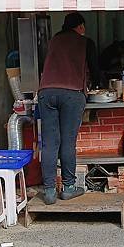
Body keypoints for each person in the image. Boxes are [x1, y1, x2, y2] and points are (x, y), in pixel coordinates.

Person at [38, 12, 100, 205]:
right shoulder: (85, 42)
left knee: (49, 143)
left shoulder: (54, 41)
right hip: (72, 94)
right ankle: (68, 188)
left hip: (46, 92)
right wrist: (97, 84)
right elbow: (95, 69)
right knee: (67, 142)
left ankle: (48, 192)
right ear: (80, 26)